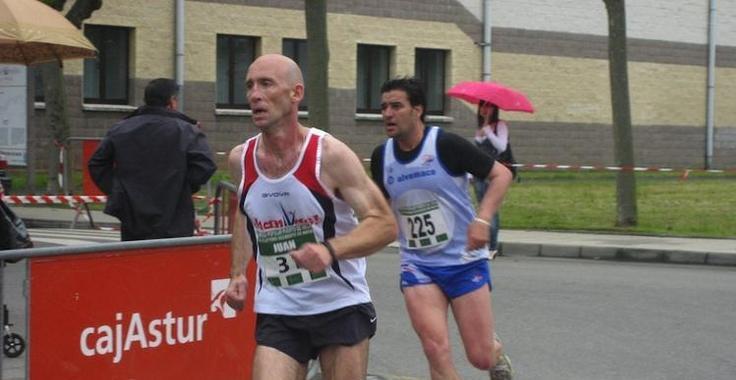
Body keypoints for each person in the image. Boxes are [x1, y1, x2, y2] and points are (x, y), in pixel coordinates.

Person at [224, 54, 397, 380]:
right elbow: (245, 213)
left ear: (296, 93)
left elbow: (384, 223)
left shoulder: (328, 155)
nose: (254, 95)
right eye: (249, 86)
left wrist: (330, 251)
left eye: (266, 84)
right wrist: (237, 274)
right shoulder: (240, 159)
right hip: (279, 308)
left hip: (339, 303)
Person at [370, 77, 515, 380]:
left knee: (480, 356)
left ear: (417, 110)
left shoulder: (445, 145)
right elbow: (380, 209)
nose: (387, 113)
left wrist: (483, 220)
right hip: (418, 264)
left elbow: (501, 175)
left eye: (396, 106)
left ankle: (495, 349)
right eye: (383, 107)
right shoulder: (382, 157)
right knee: (435, 350)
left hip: (463, 261)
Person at [88, 78, 216, 241]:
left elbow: (97, 164)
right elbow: (205, 166)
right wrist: (181, 186)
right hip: (175, 215)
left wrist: (118, 190)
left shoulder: (121, 129)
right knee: (173, 262)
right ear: (171, 101)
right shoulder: (186, 130)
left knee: (136, 261)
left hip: (133, 215)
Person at [472, 100, 516, 258]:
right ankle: (483, 244)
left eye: (488, 106)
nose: (485, 109)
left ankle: (492, 246)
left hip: (494, 173)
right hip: (479, 174)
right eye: (482, 106)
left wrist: (488, 131)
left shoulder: (500, 125)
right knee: (481, 208)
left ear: (494, 108)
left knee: (491, 209)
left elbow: (502, 147)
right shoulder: (480, 128)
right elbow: (477, 151)